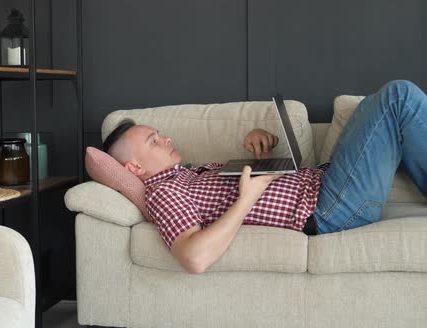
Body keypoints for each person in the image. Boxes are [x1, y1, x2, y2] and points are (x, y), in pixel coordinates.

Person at [103, 80, 427, 274]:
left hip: (326, 185)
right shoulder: (164, 192)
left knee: (374, 106)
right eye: (153, 142)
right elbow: (194, 257)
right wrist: (248, 197)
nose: (166, 140)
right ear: (134, 169)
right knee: (398, 97)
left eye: (160, 134)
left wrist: (264, 154)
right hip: (329, 210)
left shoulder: (189, 173)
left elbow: (254, 189)